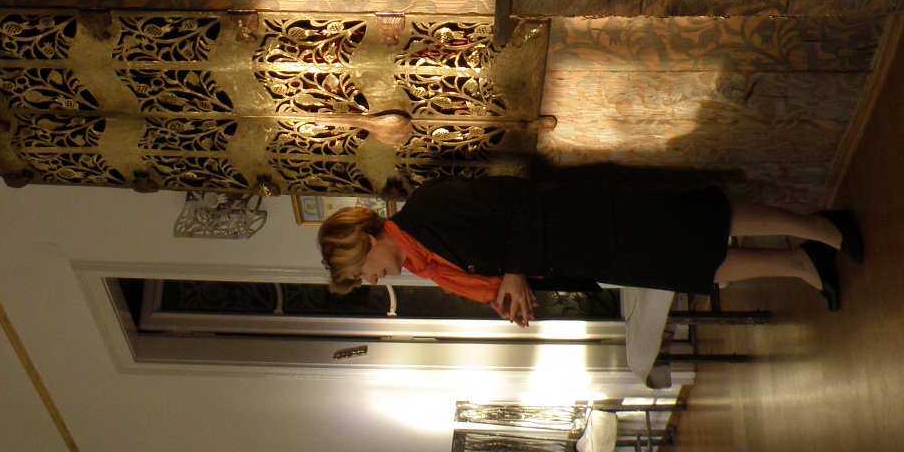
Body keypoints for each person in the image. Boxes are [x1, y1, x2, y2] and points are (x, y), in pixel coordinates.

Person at [317, 174, 862, 325]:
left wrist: (514, 272)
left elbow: (520, 200)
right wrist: (512, 294)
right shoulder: (427, 267)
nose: (370, 280)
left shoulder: (430, 207)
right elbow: (497, 271)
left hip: (591, 218)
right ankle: (799, 263)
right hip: (586, 257)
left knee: (704, 221)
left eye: (360, 270)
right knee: (692, 267)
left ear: (368, 239)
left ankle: (820, 228)